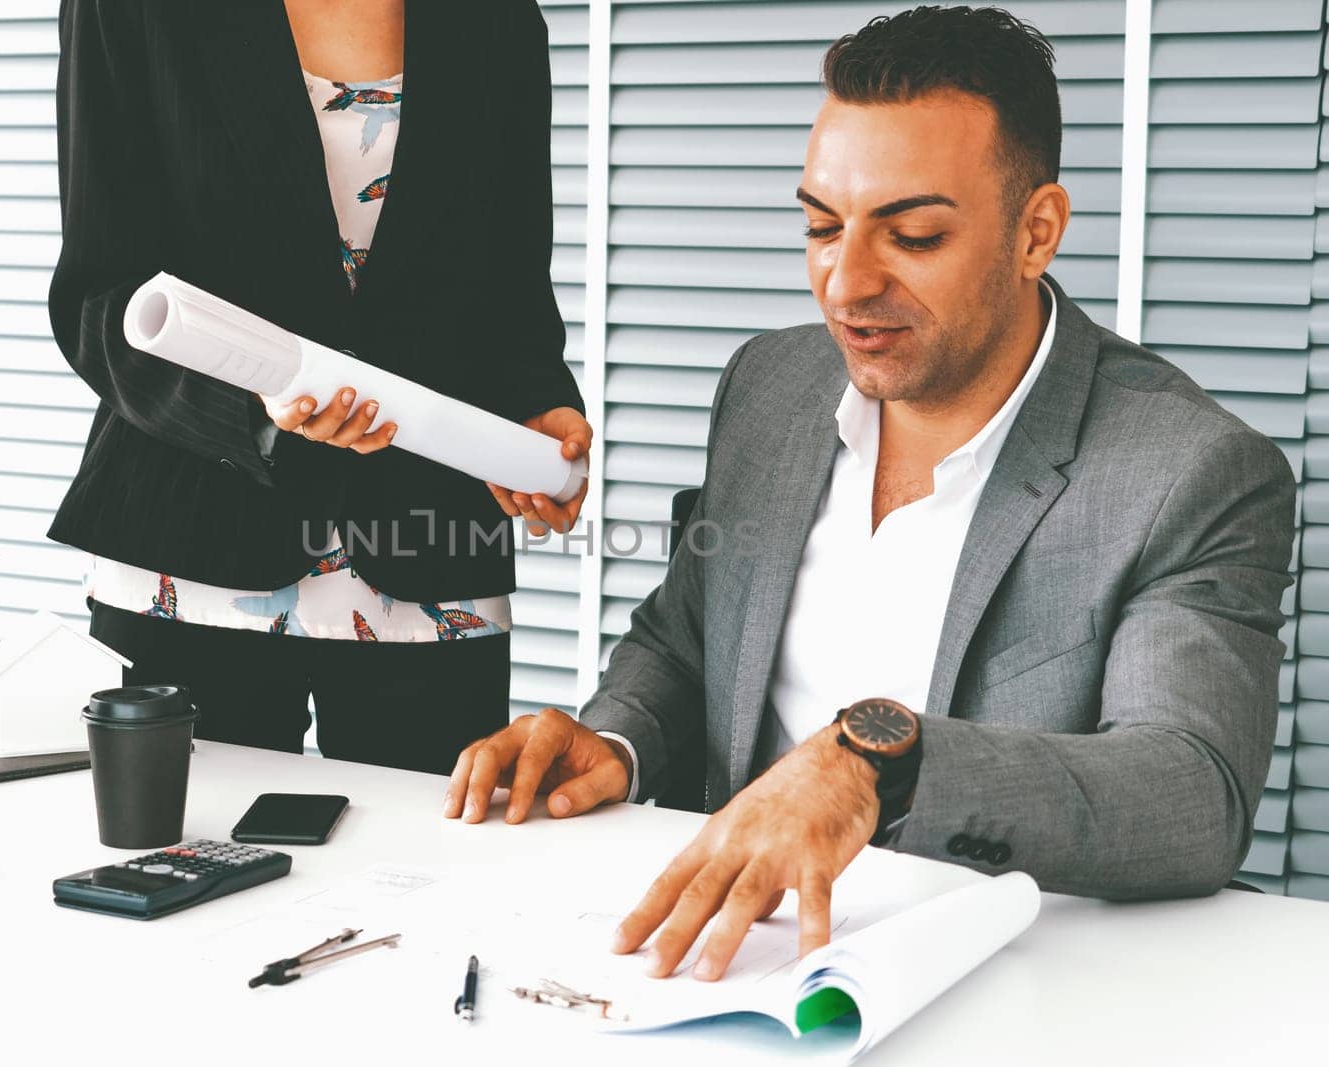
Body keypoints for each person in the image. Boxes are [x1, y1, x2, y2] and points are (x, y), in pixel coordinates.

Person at [442, 5, 1295, 981]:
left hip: (1002, 981)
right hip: (731, 962)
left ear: (1035, 231)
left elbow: (1190, 792)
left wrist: (874, 763)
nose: (845, 284)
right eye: (820, 225)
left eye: (914, 234)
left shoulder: (1190, 467)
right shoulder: (766, 385)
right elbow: (684, 639)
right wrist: (615, 738)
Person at [47, 0, 590, 775]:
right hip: (189, 547)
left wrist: (538, 401)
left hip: (428, 552)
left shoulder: (497, 16)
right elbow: (99, 296)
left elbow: (510, 297)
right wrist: (254, 413)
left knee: (433, 881)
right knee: (183, 879)